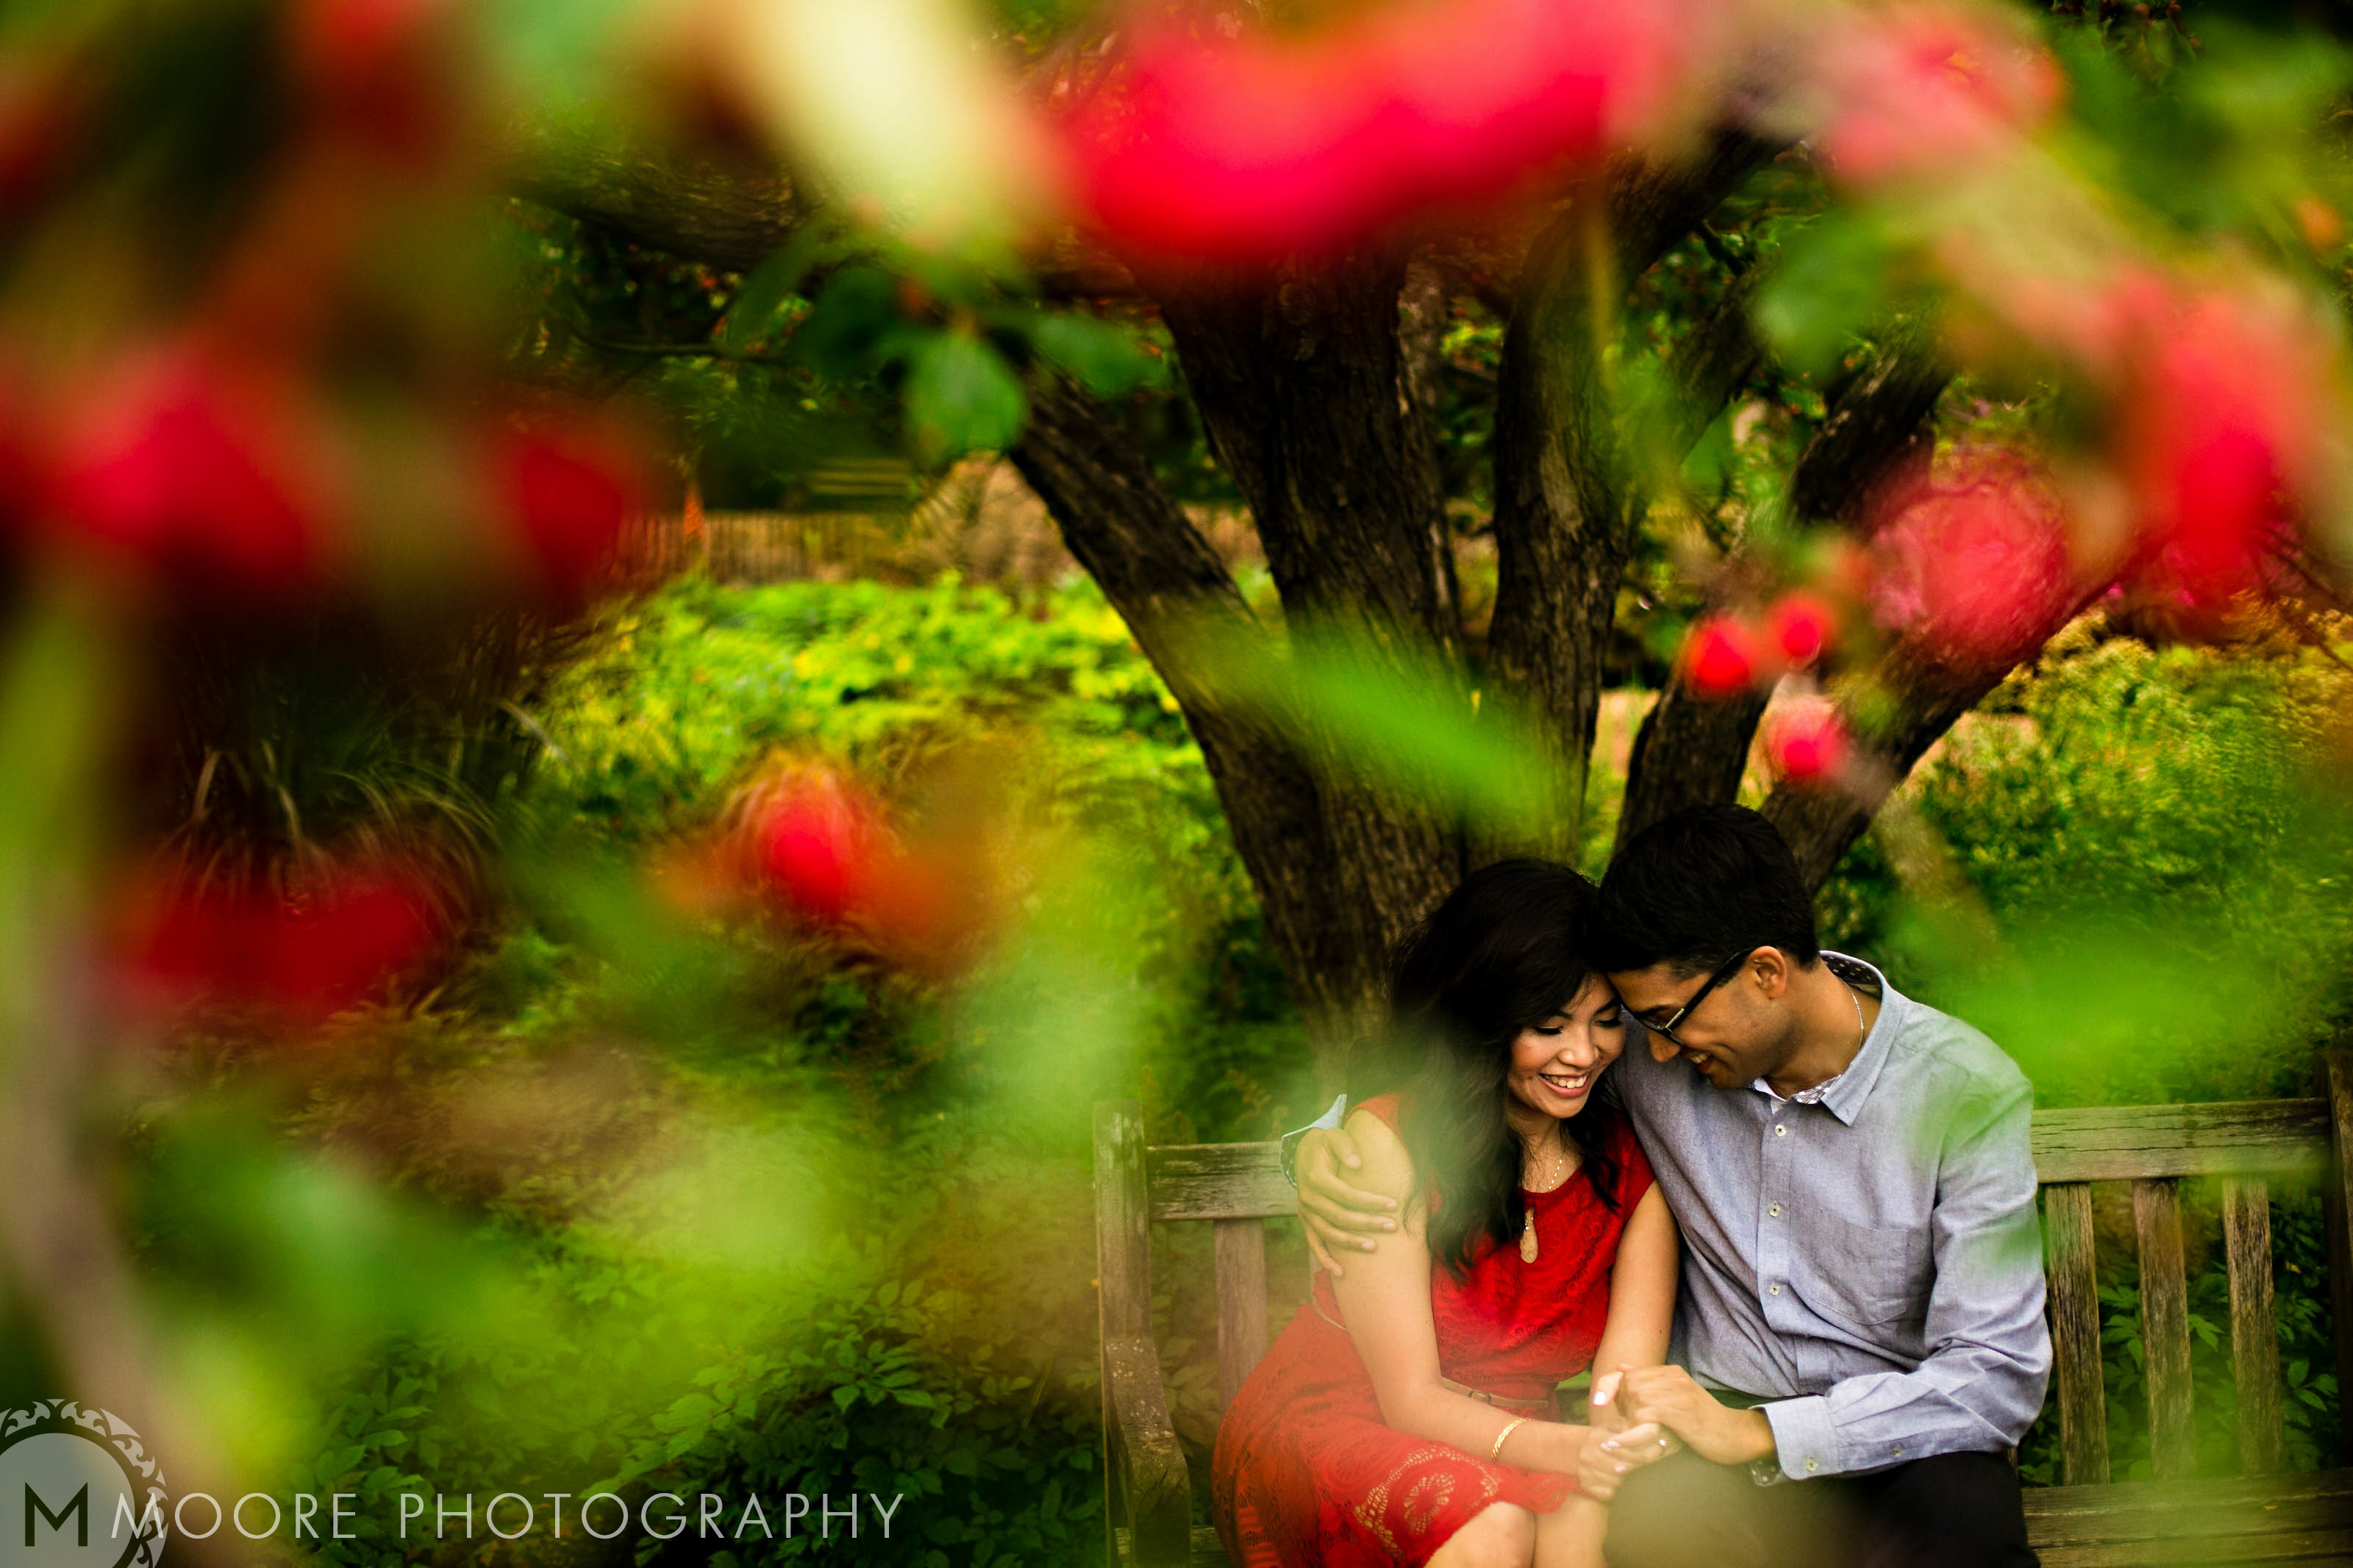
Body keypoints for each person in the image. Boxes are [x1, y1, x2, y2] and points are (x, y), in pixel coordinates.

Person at [1290, 806, 2049, 1568]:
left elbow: (1995, 1375)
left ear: (1765, 973)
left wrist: (1761, 1434)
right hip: (1696, 1449)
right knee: (1655, 1531)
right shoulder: (1653, 1043)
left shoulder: (1964, 1095)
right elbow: (1476, 1055)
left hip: (1899, 1443)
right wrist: (1319, 1146)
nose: (1647, 1050)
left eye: (1664, 1020)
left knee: (1967, 1545)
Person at [1214, 860, 1681, 1568]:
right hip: (1346, 1418)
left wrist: (1594, 1462)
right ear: (1483, 1021)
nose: (1583, 1054)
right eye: (1549, 1026)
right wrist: (1572, 1454)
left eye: (1606, 1022)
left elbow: (1616, 1396)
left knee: (1576, 1526)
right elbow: (1409, 1399)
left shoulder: (1630, 1172)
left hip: (1526, 1436)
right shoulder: (1393, 1146)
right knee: (1494, 1525)